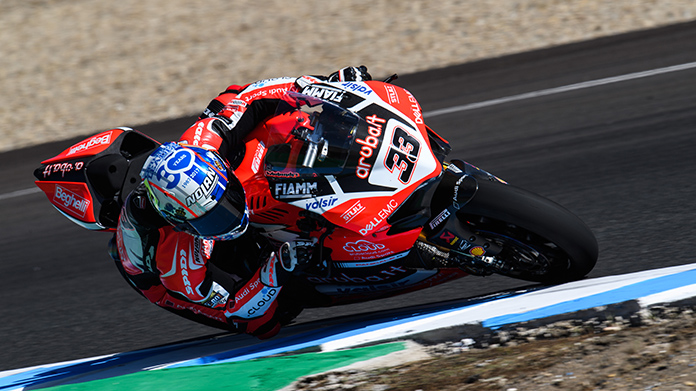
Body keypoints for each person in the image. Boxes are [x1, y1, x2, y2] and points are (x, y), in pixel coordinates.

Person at [110, 66, 372, 339]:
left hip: (221, 171)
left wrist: (326, 87)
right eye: (213, 217)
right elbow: (233, 308)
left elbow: (247, 95)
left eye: (228, 200)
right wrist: (275, 270)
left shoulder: (205, 140)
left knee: (277, 120)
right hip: (173, 286)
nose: (231, 215)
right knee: (269, 322)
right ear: (182, 225)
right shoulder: (180, 267)